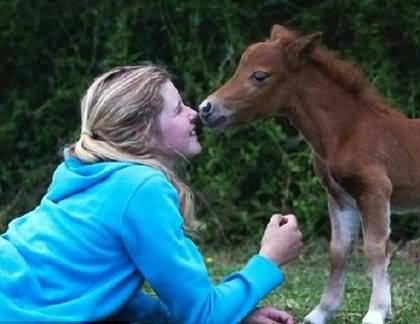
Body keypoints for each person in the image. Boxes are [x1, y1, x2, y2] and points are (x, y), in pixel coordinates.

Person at [0, 64, 303, 323]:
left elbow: (104, 291)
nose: (192, 113)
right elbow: (202, 316)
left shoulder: (83, 173)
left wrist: (234, 314)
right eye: (177, 109)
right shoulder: (142, 188)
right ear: (143, 132)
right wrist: (269, 258)